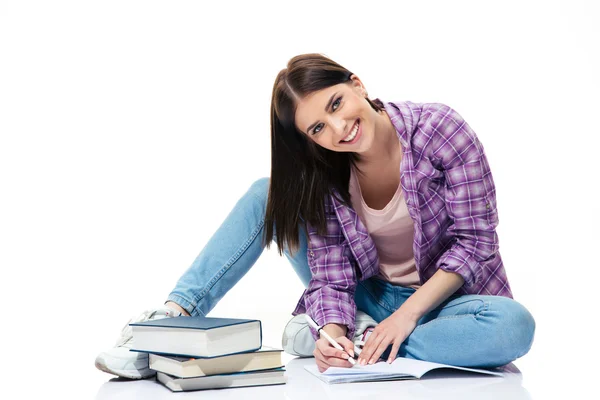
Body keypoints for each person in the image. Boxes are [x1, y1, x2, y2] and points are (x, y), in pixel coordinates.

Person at [95, 53, 535, 379]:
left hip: (444, 302)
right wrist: (334, 327)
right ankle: (167, 327)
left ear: (358, 84)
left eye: (336, 103)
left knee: (513, 327)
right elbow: (331, 273)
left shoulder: (440, 129)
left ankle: (367, 340)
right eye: (318, 129)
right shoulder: (326, 173)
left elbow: (476, 243)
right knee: (266, 194)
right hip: (369, 293)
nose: (339, 127)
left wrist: (401, 320)